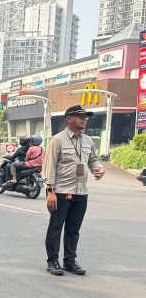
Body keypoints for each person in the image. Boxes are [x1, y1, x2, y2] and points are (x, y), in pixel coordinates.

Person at [43, 105, 105, 276]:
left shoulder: (88, 141)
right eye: (80, 116)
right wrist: (50, 192)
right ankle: (53, 261)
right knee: (56, 227)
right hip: (62, 191)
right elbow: (50, 167)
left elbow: (92, 160)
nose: (84, 119)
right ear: (68, 118)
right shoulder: (57, 140)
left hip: (81, 192)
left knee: (73, 229)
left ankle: (69, 261)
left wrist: (98, 168)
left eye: (86, 117)